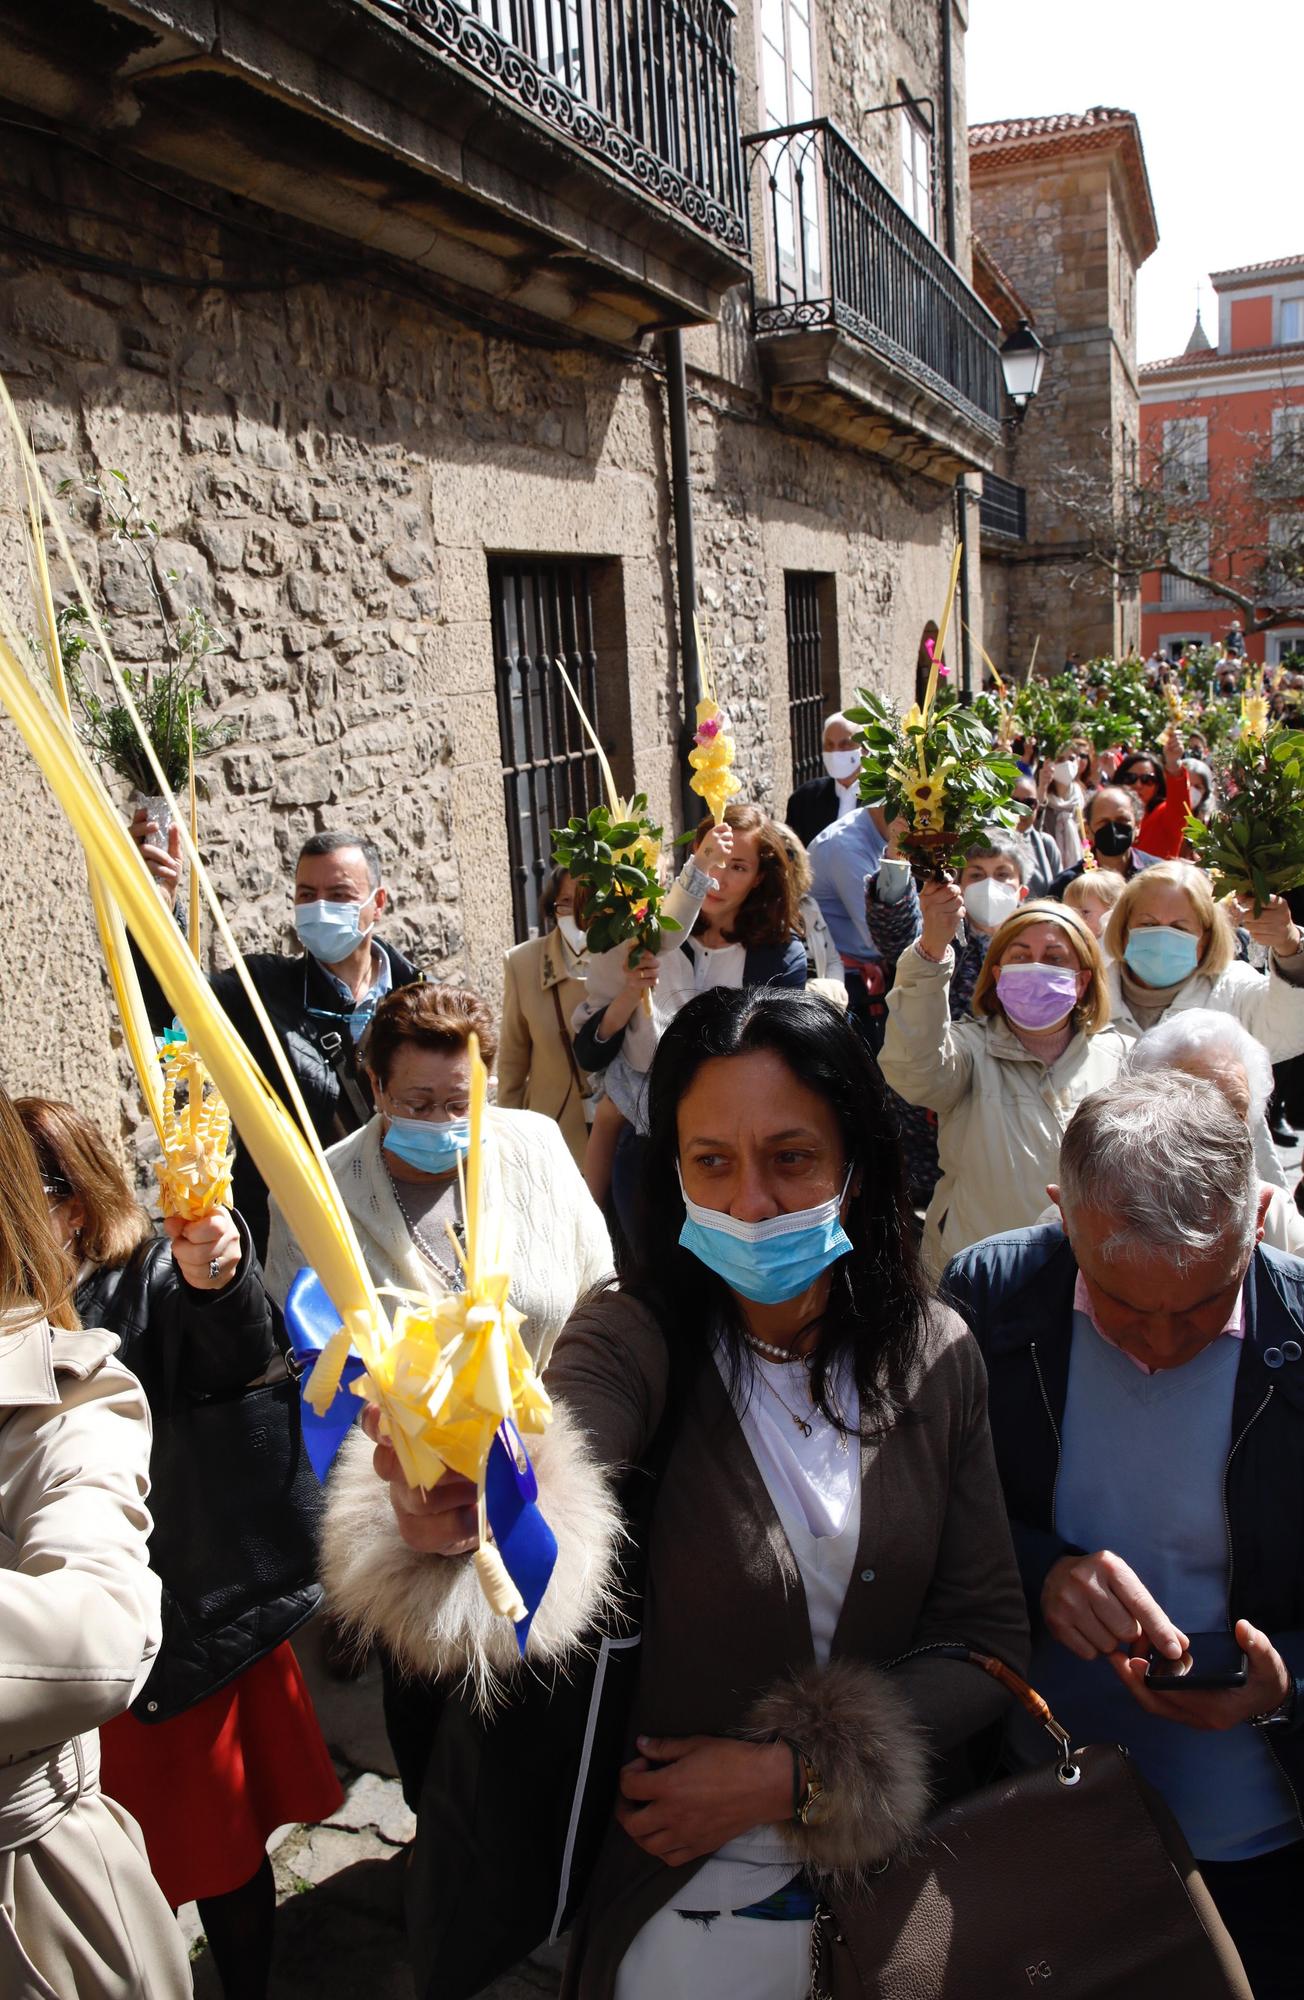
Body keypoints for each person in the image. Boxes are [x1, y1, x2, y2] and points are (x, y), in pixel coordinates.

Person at [324, 988, 1030, 1999]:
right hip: (676, 1917)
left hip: (900, 1905)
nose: (748, 1200)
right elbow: (559, 1450)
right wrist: (469, 1508)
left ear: (855, 1165)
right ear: (674, 1174)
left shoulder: (934, 1356)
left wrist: (795, 1773)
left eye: (789, 1157)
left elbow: (987, 1638)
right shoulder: (628, 1335)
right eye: (712, 1161)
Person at [943, 1074, 1304, 2000]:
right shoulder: (990, 1297)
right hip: (1029, 1822)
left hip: (1262, 1852)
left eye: (1199, 1306)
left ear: (1259, 1219)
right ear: (1061, 1216)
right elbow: (925, 1524)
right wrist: (1041, 1572)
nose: (1159, 1343)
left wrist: (1284, 1684)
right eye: (1118, 1303)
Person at [20, 1095, 340, 1996]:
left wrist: (217, 1267)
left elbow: (231, 1340)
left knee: (224, 1860)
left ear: (71, 1205)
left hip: (183, 1636)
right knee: (112, 1877)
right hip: (65, 1648)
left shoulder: (146, 1279)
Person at [0, 1083, 192, 1997]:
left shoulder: (141, 1285)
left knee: (218, 1840)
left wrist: (220, 1281)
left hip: (181, 1583)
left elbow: (228, 1374)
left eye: (57, 1188)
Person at [133, 820, 422, 1255]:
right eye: (307, 895)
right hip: (298, 1244)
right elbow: (174, 1007)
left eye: (339, 895)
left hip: (402, 1237)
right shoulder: (260, 991)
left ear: (376, 903)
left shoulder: (423, 1000)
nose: (320, 907)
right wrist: (155, 907)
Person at [574, 807, 806, 1248]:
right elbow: (592, 1051)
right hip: (644, 1145)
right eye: (711, 861)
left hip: (734, 1144)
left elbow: (781, 1057)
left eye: (738, 866)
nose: (719, 878)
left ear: (760, 877)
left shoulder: (777, 956)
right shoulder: (649, 936)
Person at [879, 898, 1126, 1272]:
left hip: (1087, 1272)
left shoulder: (1123, 1056)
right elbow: (915, 1070)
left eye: (1055, 958)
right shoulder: (967, 1049)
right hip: (975, 1272)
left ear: (1083, 980)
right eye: (1021, 956)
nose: (1036, 967)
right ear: (997, 975)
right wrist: (931, 952)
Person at [866, 829, 1031, 1207]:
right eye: (976, 874)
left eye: (1003, 874)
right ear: (958, 883)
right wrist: (897, 852)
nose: (991, 884)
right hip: (925, 1117)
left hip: (1002, 1117)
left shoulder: (1035, 944)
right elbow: (893, 929)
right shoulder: (940, 933)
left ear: (1022, 890)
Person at [1124, 1011, 1304, 1255]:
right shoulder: (1100, 1210)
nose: (1221, 1130)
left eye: (1237, 1113)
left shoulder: (1273, 1213)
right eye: (1196, 1108)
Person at [498, 865, 596, 1168]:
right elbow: (513, 1061)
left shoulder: (629, 957)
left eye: (588, 900)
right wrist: (507, 1139)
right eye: (567, 901)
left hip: (618, 1135)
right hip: (551, 1137)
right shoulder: (523, 963)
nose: (578, 913)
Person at [807, 799, 889, 1042]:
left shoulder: (874, 834)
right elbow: (882, 939)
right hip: (846, 988)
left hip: (867, 979)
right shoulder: (846, 848)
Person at [772, 821, 847, 1008]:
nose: (783, 863)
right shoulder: (757, 911)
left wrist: (832, 995)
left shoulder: (808, 905)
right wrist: (825, 995)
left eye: (789, 854)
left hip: (820, 1015)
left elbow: (833, 960)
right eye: (773, 856)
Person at [1047, 785, 1141, 899]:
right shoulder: (1066, 884)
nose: (1113, 829)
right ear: (1087, 830)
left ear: (1137, 826)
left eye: (1122, 820)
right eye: (1104, 822)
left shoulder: (1154, 873)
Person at [784, 713, 863, 848]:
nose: (835, 752)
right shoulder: (804, 799)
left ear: (864, 749)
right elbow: (791, 852)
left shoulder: (884, 798)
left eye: (845, 744)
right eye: (829, 745)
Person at [1113, 732, 1192, 861]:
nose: (1138, 785)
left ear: (1158, 785)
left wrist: (1173, 765)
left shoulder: (1163, 814)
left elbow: (1179, 807)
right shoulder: (1108, 813)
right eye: (1130, 778)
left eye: (1147, 779)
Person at [1011, 771, 1063, 897]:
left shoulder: (1046, 843)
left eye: (1029, 803)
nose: (1022, 810)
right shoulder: (992, 844)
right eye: (1014, 803)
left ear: (1037, 806)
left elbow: (1059, 891)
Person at [1061, 865, 1125, 942]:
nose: (1076, 920)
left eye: (1085, 912)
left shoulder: (1118, 947)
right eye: (1071, 914)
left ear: (1112, 912)